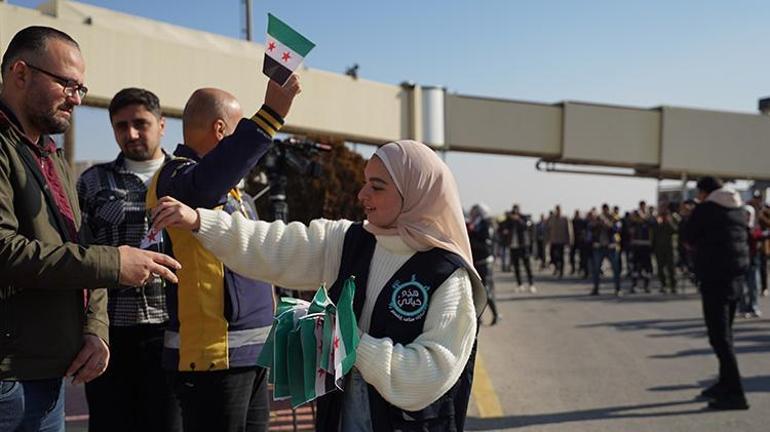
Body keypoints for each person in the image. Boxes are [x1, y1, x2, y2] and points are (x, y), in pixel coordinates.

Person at [152, 140, 487, 432]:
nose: (362, 194)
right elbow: (274, 245)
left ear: (414, 192)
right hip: (341, 415)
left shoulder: (447, 276)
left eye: (378, 186)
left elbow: (430, 374)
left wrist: (348, 339)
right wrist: (201, 221)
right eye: (365, 183)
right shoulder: (351, 240)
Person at [0, 26, 180, 431]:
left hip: (54, 370)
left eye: (82, 87)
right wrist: (115, 263)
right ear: (20, 73)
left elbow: (83, 249)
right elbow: (6, 250)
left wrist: (95, 329)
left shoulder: (52, 156)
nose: (77, 99)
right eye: (67, 83)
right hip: (10, 376)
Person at [147, 79, 301, 432]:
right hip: (212, 360)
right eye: (237, 131)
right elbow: (205, 185)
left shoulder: (233, 191)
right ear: (220, 130)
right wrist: (270, 116)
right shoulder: (175, 176)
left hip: (252, 353)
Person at [76, 88, 181, 432]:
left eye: (141, 123)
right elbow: (80, 254)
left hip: (174, 330)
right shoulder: (92, 182)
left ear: (162, 125)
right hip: (111, 334)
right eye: (121, 126)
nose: (131, 133)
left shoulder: (187, 179)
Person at [684, 177, 749, 410]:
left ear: (704, 192)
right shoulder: (738, 208)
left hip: (715, 278)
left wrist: (690, 216)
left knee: (719, 338)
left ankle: (735, 393)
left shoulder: (706, 210)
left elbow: (689, 237)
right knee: (726, 334)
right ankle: (723, 383)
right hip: (735, 279)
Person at [468, 204, 499, 325]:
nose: (473, 213)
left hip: (485, 262)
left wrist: (473, 236)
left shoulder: (486, 224)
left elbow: (486, 243)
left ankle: (495, 314)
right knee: (475, 290)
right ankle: (478, 317)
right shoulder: (476, 224)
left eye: (476, 211)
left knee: (486, 291)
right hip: (476, 262)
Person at [589, 204, 622, 296]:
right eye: (603, 210)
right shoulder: (597, 219)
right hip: (599, 247)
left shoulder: (615, 218)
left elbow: (617, 229)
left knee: (616, 269)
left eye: (606, 210)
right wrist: (597, 222)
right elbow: (590, 228)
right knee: (596, 269)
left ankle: (617, 289)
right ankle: (596, 288)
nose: (605, 211)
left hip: (611, 247)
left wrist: (608, 223)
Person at [652, 209, 678, 294]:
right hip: (659, 249)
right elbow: (653, 236)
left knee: (671, 268)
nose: (663, 217)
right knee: (660, 269)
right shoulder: (657, 224)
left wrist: (669, 222)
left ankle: (673, 286)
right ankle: (663, 285)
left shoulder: (669, 224)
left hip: (669, 249)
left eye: (665, 216)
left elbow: (675, 230)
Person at [546, 205, 572, 278]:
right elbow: (548, 229)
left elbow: (569, 230)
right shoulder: (552, 219)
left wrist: (570, 240)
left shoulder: (564, 219)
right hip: (553, 240)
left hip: (561, 240)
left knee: (561, 257)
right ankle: (556, 267)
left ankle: (561, 271)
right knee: (553, 256)